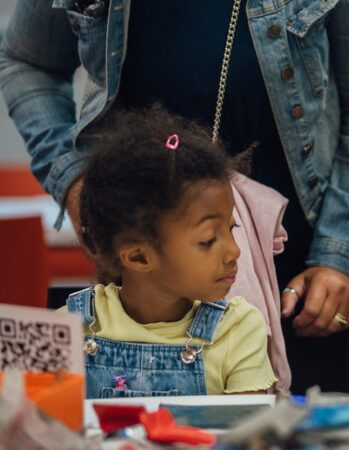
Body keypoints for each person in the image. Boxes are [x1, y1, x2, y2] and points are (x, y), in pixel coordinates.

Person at [0, 0, 349, 392]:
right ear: (133, 254)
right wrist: (74, 181)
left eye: (228, 234)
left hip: (312, 263)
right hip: (151, 263)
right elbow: (27, 62)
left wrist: (342, 252)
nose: (235, 253)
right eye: (215, 238)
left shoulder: (247, 320)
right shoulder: (75, 320)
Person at [62, 106, 276, 399]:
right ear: (139, 257)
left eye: (231, 229)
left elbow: (249, 439)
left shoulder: (238, 329)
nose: (234, 252)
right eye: (208, 240)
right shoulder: (68, 328)